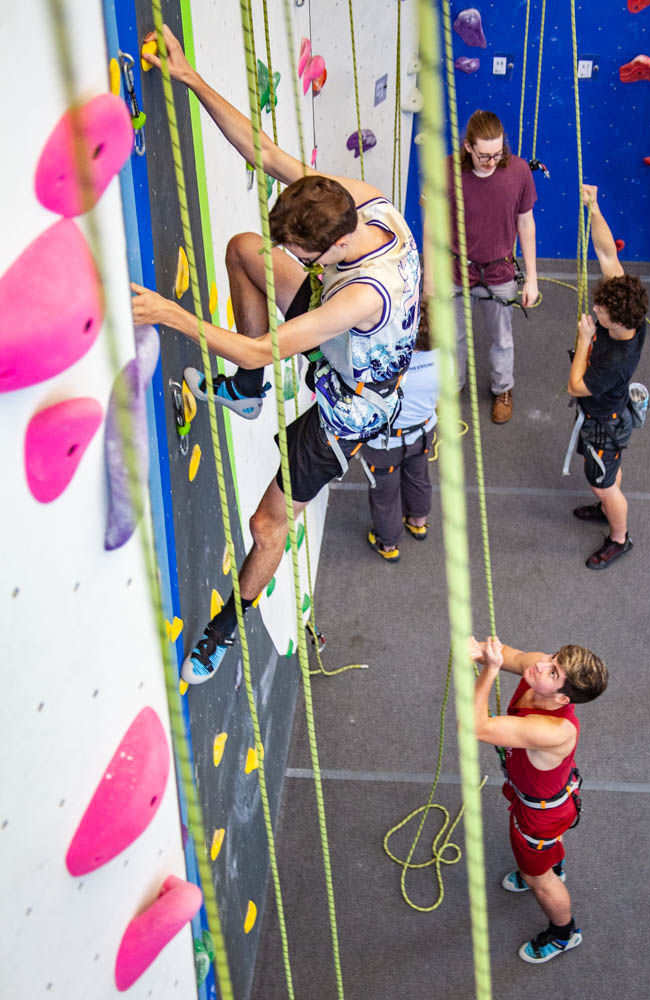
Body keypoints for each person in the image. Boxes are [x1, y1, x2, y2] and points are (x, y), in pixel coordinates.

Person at [130, 25, 420, 684]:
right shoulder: (358, 206)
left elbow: (263, 340)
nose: (287, 255)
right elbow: (263, 151)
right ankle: (251, 390)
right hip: (340, 340)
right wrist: (193, 79)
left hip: (350, 406)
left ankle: (222, 629)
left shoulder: (359, 297)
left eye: (297, 251)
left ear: (328, 249)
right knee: (242, 250)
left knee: (267, 526)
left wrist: (170, 314)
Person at [470, 635, 608, 965]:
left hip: (540, 816)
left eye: (553, 671)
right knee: (538, 857)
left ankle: (564, 933)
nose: (541, 664)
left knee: (538, 880)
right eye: (553, 657)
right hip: (539, 797)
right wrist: (480, 652)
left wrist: (489, 670)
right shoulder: (540, 670)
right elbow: (509, 654)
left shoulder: (552, 729)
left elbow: (474, 726)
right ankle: (549, 864)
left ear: (562, 696)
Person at [568, 186, 649, 570]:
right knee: (606, 476)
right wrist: (594, 208)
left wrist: (584, 340)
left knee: (603, 483)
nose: (595, 309)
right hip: (605, 418)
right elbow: (606, 252)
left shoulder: (615, 360)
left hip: (604, 423)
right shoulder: (629, 311)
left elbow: (575, 386)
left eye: (600, 312)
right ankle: (608, 500)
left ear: (615, 323)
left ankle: (620, 537)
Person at [443, 110, 539, 424]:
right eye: (484, 155)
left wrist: (532, 279)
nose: (491, 161)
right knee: (453, 337)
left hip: (500, 272)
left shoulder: (519, 171)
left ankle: (503, 389)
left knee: (502, 337)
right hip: (458, 271)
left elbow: (526, 224)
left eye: (498, 153)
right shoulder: (448, 172)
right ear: (468, 146)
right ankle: (453, 387)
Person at [363, 300, 438, 561]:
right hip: (422, 433)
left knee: (385, 494)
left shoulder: (386, 366)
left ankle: (389, 543)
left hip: (384, 444)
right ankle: (418, 521)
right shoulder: (443, 359)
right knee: (418, 476)